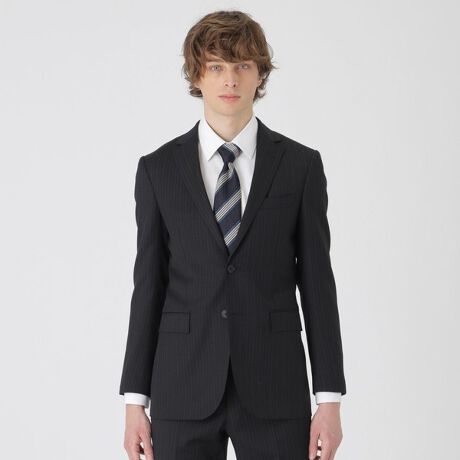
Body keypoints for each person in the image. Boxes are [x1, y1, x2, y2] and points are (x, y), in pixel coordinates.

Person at [119, 9, 346, 460]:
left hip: (274, 385)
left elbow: (318, 284)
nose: (230, 79)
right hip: (182, 385)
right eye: (216, 66)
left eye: (243, 65)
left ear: (260, 74)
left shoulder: (300, 166)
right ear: (196, 75)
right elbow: (148, 287)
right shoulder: (158, 170)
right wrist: (134, 401)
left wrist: (329, 400)